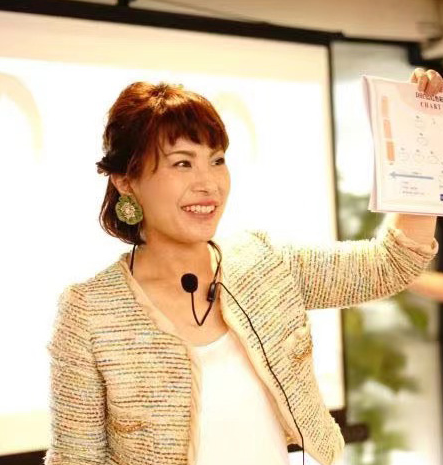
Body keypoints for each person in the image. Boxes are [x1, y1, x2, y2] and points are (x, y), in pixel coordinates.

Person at [44, 68, 441, 465]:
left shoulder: (265, 264)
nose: (209, 184)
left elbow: (392, 264)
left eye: (217, 160)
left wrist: (419, 134)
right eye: (182, 163)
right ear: (125, 181)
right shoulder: (88, 312)